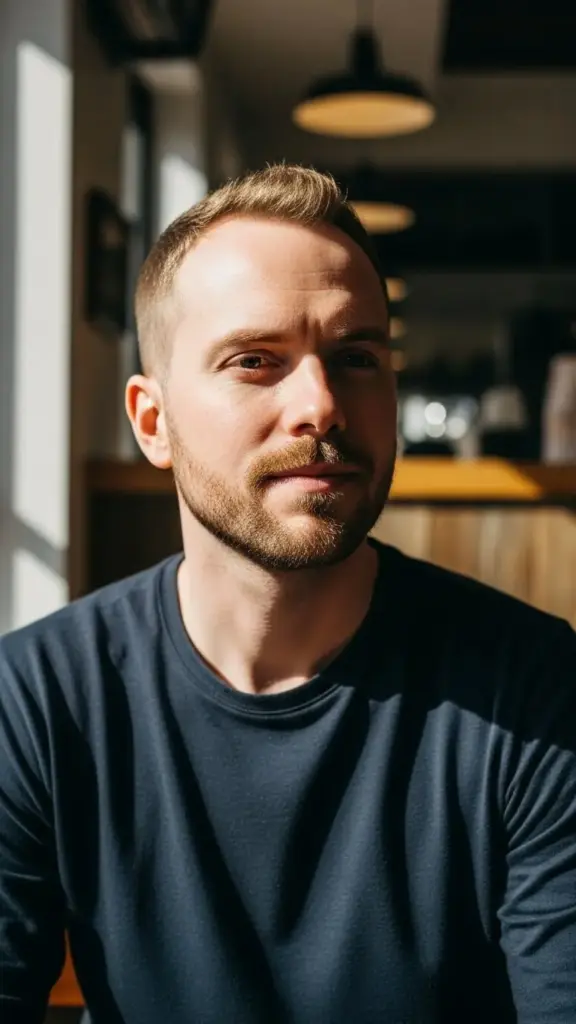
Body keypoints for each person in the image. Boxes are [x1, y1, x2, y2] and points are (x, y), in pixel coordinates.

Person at [1, 165, 575, 1024]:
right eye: (254, 361)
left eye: (356, 359)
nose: (320, 405)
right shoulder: (39, 699)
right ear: (152, 422)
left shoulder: (536, 686)